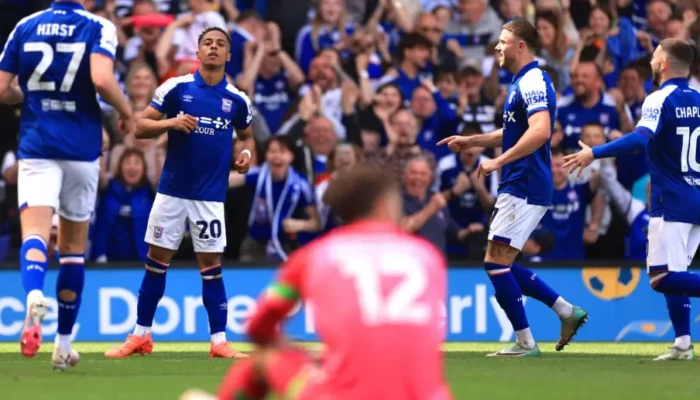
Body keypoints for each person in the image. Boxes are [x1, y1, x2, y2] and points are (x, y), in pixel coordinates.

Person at [180, 164, 452, 400]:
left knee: (262, 361)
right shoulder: (427, 256)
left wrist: (301, 353)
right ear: (382, 205)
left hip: (337, 394)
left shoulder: (315, 256)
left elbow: (257, 326)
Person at [438, 19, 588, 357]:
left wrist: (498, 161)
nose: (497, 48)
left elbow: (540, 130)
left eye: (503, 42)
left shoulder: (532, 80)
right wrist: (472, 141)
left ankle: (526, 342)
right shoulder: (523, 81)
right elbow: (514, 133)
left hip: (525, 182)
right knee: (499, 262)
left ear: (521, 46)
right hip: (522, 182)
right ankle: (566, 312)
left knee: (494, 263)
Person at [104, 27, 255, 359]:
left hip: (210, 198)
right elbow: (140, 126)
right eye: (207, 44)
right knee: (156, 263)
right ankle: (140, 336)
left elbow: (247, 137)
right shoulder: (176, 88)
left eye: (220, 45)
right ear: (198, 53)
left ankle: (219, 342)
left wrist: (244, 155)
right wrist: (170, 124)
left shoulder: (237, 99)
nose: (213, 48)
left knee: (211, 266)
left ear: (228, 55)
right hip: (171, 192)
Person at [0, 0, 134, 368]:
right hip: (82, 148)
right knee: (73, 248)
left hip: (38, 144)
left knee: (36, 235)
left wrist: (25, 97)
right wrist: (126, 113)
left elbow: (1, 89)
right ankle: (63, 346)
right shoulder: (98, 26)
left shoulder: (25, 25)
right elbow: (102, 79)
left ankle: (32, 298)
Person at [563, 38, 700, 361]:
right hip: (695, 197)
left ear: (664, 63)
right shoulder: (697, 98)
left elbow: (640, 138)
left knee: (661, 277)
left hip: (672, 201)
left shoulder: (658, 98)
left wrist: (594, 152)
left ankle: (682, 342)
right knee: (675, 273)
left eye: (654, 57)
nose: (651, 62)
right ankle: (682, 343)